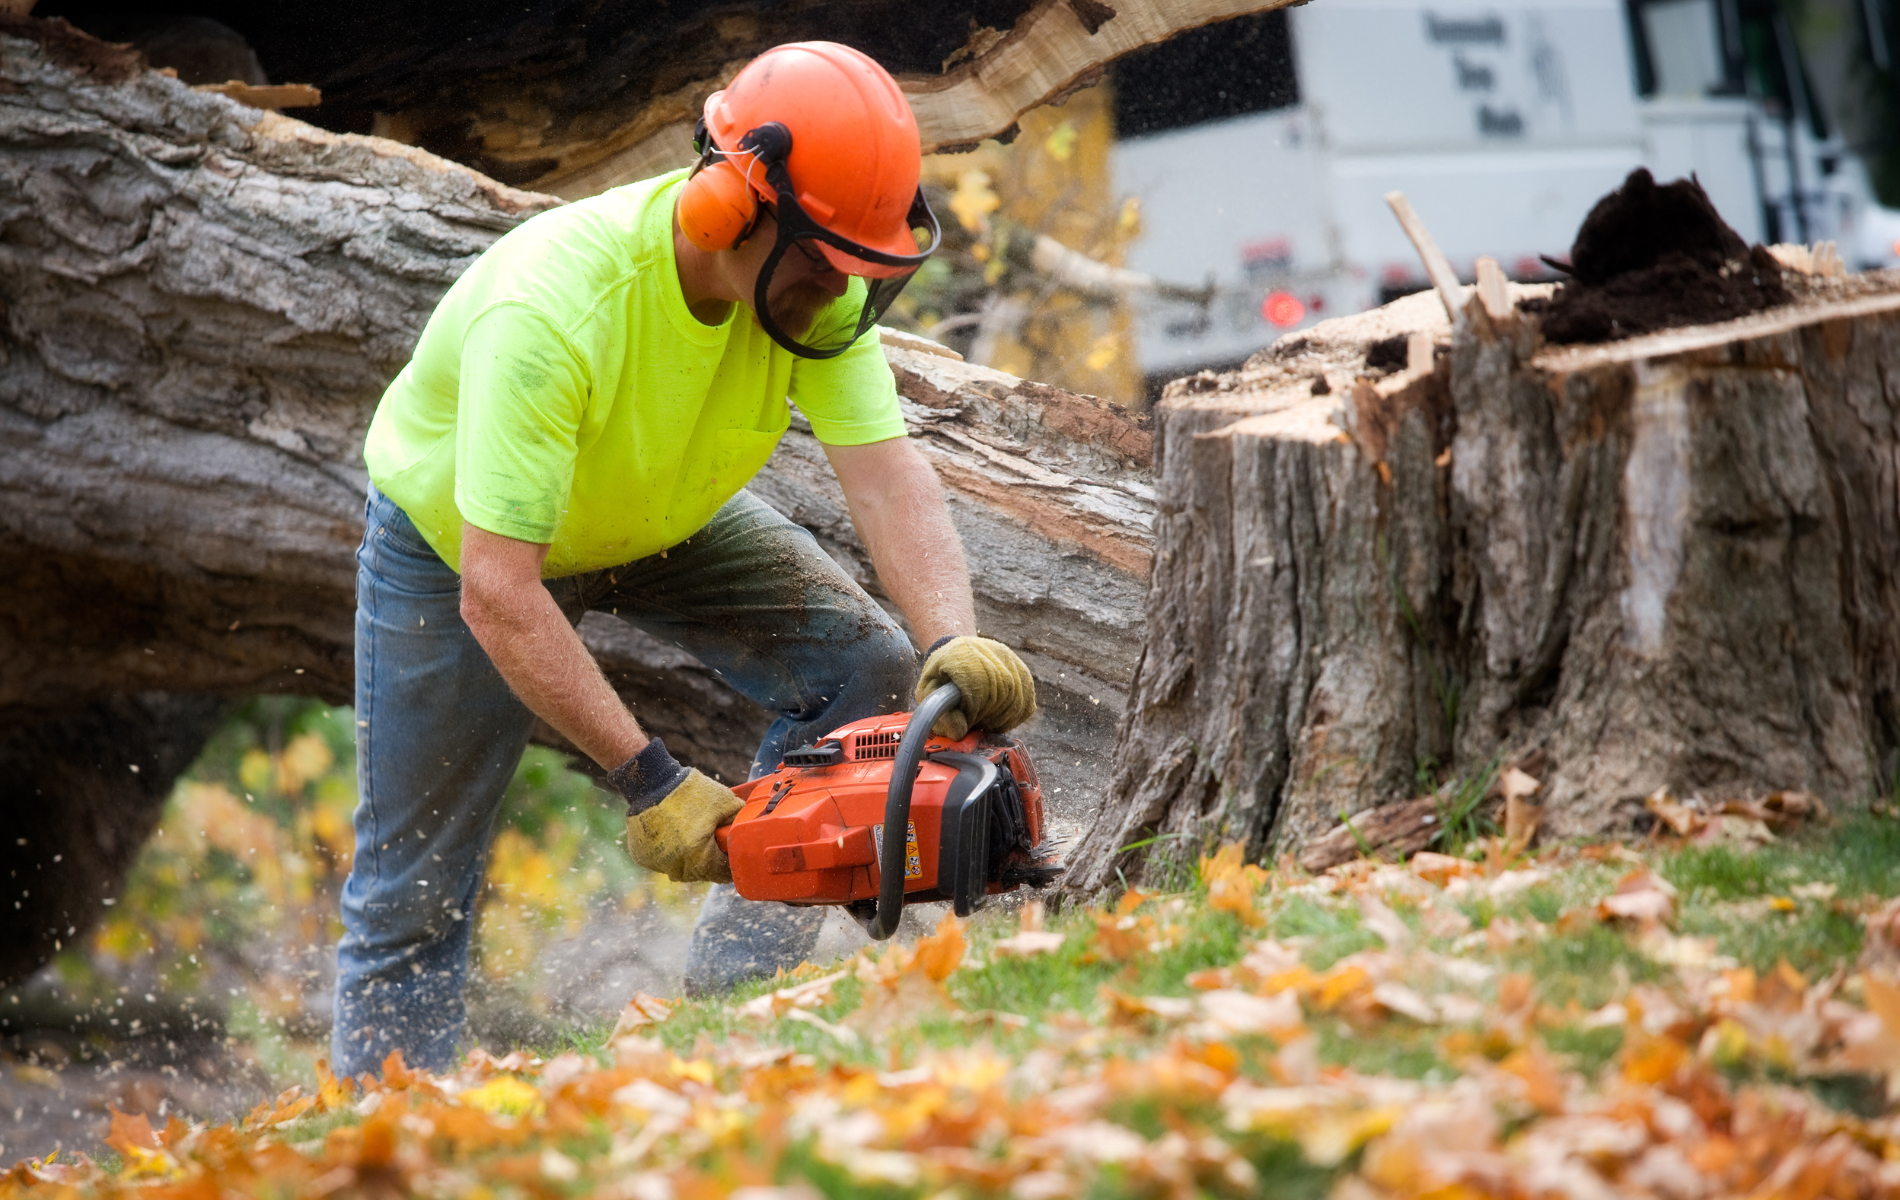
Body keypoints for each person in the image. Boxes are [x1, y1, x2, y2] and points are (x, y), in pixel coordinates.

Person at [331, 41, 1039, 1077]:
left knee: (864, 669)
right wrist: (651, 783)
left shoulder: (816, 289)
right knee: (412, 895)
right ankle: (380, 1146)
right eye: (820, 261)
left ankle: (732, 1027)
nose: (839, 291)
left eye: (857, 266)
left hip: (659, 519)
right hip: (461, 554)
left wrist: (954, 640)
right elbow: (500, 593)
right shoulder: (551, 315)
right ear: (725, 209)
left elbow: (888, 478)